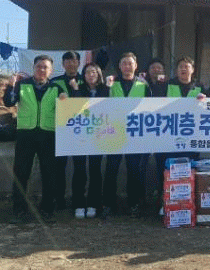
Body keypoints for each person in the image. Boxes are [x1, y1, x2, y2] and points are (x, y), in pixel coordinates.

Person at [4, 55, 65, 223]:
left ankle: (47, 209)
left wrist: (65, 99)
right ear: (33, 68)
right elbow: (9, 102)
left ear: (51, 70)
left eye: (45, 67)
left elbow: (66, 109)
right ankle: (19, 210)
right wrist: (10, 86)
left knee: (49, 174)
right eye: (39, 66)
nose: (42, 70)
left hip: (48, 134)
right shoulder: (22, 85)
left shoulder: (56, 88)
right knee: (21, 173)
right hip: (26, 134)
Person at [102, 52, 152, 218]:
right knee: (111, 169)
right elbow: (101, 104)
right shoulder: (112, 83)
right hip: (114, 132)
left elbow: (151, 107)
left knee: (134, 170)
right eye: (124, 63)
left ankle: (133, 204)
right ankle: (108, 204)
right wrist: (106, 87)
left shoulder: (143, 85)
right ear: (119, 66)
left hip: (135, 133)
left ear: (136, 66)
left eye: (130, 63)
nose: (127, 66)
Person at [155, 56, 206, 212]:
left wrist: (206, 99)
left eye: (187, 66)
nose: (184, 69)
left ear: (193, 70)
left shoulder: (200, 87)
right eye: (180, 66)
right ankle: (166, 203)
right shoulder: (167, 85)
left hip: (192, 137)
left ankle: (189, 203)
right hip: (168, 137)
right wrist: (158, 84)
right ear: (176, 71)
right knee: (167, 170)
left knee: (189, 170)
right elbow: (154, 102)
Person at [68, 63, 108, 219]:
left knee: (95, 170)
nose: (91, 75)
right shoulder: (77, 89)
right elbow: (74, 108)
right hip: (79, 136)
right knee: (79, 170)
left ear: (99, 74)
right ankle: (78, 203)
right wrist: (75, 90)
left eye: (94, 72)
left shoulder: (105, 89)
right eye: (87, 72)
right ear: (83, 75)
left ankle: (93, 203)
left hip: (99, 135)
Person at [50, 51, 83, 211]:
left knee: (80, 168)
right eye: (68, 61)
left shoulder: (87, 80)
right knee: (58, 168)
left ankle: (78, 200)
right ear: (63, 64)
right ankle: (59, 200)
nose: (71, 64)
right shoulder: (54, 82)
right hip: (61, 130)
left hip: (82, 131)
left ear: (79, 63)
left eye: (74, 61)